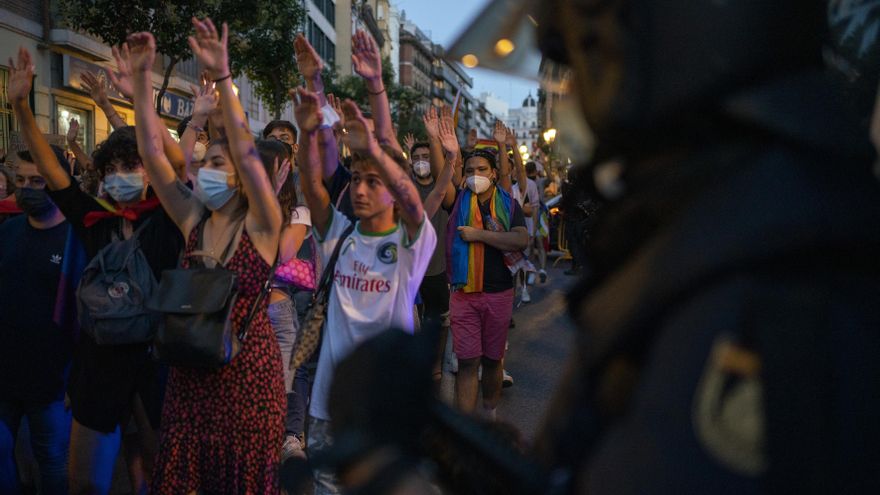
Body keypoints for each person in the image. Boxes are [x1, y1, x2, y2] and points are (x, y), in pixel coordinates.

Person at [530, 0, 880, 492]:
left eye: (582, 56)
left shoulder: (774, 272)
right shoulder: (739, 211)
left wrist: (389, 474)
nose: (573, 94)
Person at [8, 46, 183, 495]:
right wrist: (20, 107)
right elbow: (53, 171)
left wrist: (138, 95)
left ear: (149, 172)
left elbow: (178, 165)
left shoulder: (170, 219)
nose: (122, 175)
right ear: (101, 177)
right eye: (112, 169)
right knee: (84, 484)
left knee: (165, 479)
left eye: (133, 166)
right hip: (98, 369)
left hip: (156, 368)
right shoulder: (94, 221)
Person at [127, 20, 284, 492]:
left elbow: (248, 153)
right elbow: (153, 155)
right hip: (189, 387)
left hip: (248, 390)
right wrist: (140, 79)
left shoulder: (262, 226)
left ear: (241, 177)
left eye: (217, 164)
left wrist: (224, 79)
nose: (203, 172)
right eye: (205, 163)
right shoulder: (192, 221)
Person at [294, 84, 437, 494]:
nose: (359, 189)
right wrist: (307, 132)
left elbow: (412, 202)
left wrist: (374, 149)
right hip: (328, 406)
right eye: (355, 179)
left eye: (373, 181)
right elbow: (311, 185)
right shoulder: (340, 234)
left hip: (384, 410)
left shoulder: (410, 244)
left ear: (392, 188)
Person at [0, 148, 80, 495]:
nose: (27, 188)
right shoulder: (9, 231)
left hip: (52, 382)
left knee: (51, 461)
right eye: (20, 180)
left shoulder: (78, 238)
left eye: (37, 180)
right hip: (5, 373)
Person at [447, 146, 529, 419]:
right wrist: (442, 147)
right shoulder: (457, 201)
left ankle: (489, 413)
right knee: (467, 363)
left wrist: (479, 235)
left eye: (481, 170)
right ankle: (464, 431)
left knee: (493, 361)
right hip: (464, 293)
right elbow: (439, 178)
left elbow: (520, 239)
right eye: (470, 171)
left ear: (493, 174)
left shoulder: (508, 203)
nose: (475, 176)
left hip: (499, 293)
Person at [256, 138, 313, 462]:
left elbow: (282, 254)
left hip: (276, 307)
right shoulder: (239, 207)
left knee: (289, 378)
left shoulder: (298, 213)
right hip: (241, 308)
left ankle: (291, 435)